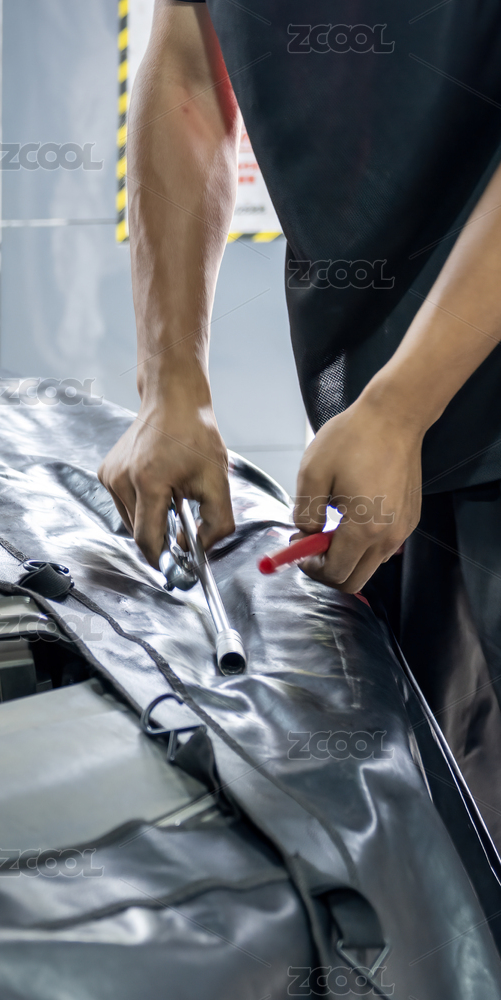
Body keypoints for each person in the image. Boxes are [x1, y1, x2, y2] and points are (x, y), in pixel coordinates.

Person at [98, 0, 501, 816]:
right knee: (432, 808)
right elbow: (187, 75)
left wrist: (402, 406)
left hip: (458, 411)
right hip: (380, 429)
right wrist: (170, 384)